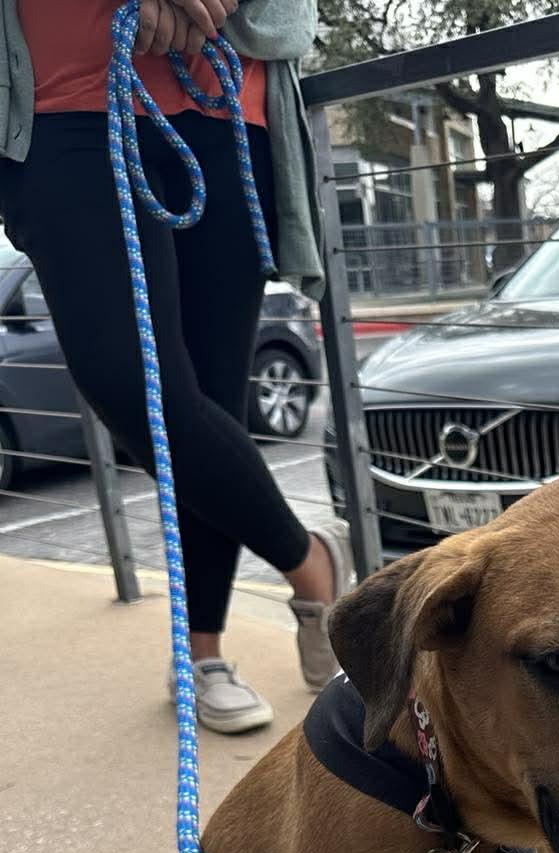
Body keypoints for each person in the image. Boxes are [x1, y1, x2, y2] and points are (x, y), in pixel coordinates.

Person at [0, 0, 348, 734]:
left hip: (219, 101)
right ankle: (309, 562)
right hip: (65, 104)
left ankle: (202, 654)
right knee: (133, 384)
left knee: (212, 393)